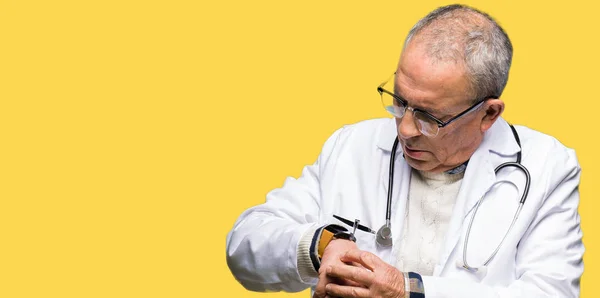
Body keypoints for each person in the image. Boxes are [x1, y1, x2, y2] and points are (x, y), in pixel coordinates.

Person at [226, 4, 584, 298]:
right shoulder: (351, 145)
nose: (406, 129)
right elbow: (245, 243)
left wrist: (409, 292)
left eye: (429, 116)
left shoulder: (548, 167)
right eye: (399, 101)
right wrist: (322, 246)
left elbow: (552, 292)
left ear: (488, 113)